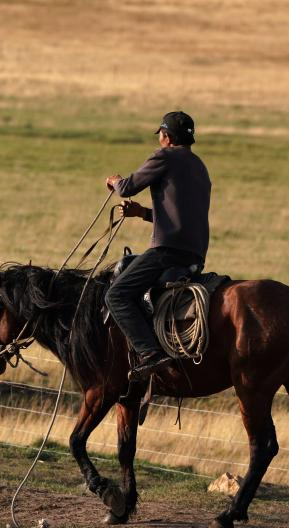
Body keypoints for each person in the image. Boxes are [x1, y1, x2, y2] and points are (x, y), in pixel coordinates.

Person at [104, 111, 212, 382]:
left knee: (116, 295)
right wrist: (142, 214)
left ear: (166, 137)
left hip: (167, 251)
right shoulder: (200, 167)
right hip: (195, 253)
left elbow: (127, 187)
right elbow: (181, 214)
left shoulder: (164, 156)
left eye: (161, 134)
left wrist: (114, 182)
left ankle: (150, 353)